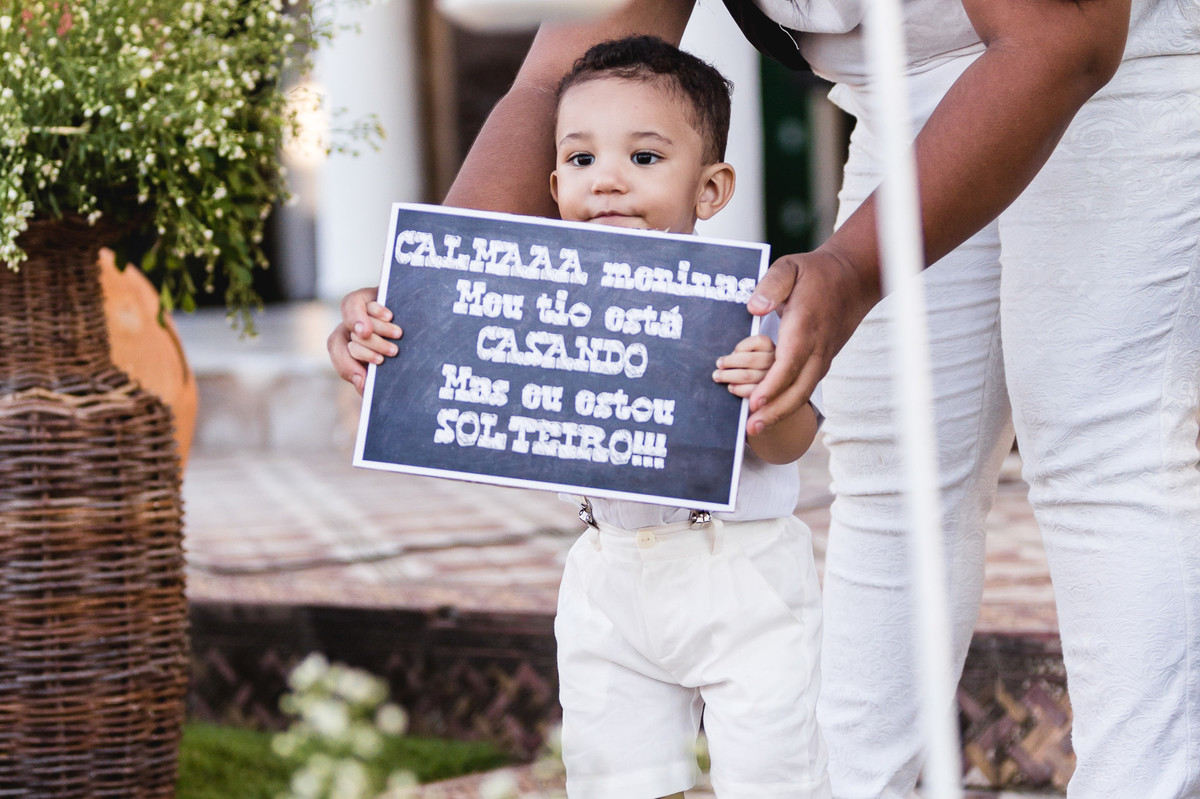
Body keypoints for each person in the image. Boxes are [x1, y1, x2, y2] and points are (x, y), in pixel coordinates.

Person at [329, 1, 1200, 796]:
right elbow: (558, 77)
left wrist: (852, 271)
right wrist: (439, 295)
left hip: (1120, 67)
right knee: (892, 457)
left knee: (1097, 439)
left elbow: (1065, 38)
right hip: (897, 91)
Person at [344, 35, 831, 797]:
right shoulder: (537, 299)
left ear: (710, 189)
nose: (606, 180)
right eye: (580, 160)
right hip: (609, 575)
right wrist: (383, 320)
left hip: (742, 573)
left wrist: (773, 393)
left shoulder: (744, 301)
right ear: (553, 182)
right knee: (617, 776)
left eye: (644, 159)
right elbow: (441, 350)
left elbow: (796, 443)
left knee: (775, 776)